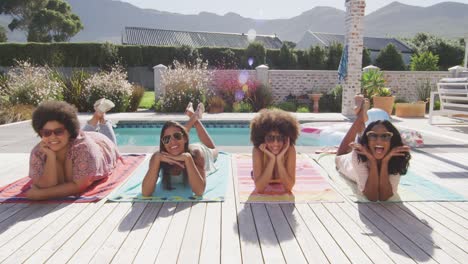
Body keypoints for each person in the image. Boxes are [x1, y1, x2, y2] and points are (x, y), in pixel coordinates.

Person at [26, 100, 121, 200]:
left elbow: (79, 185)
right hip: (77, 138)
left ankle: (103, 120)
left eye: (59, 131)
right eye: (46, 132)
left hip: (102, 144)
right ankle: (96, 116)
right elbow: (46, 185)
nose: (52, 137)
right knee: (80, 135)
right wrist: (51, 157)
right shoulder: (39, 152)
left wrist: (40, 194)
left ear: (69, 131)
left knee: (110, 142)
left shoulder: (84, 149)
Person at [335, 95, 411, 201]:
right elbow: (372, 197)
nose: (379, 140)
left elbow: (385, 196)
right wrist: (372, 160)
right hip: (345, 163)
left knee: (371, 141)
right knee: (338, 157)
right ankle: (360, 118)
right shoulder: (359, 154)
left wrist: (384, 161)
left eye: (385, 136)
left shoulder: (396, 156)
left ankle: (361, 116)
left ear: (392, 141)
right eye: (373, 135)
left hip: (370, 148)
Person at [142, 102, 218, 196]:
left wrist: (188, 159)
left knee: (214, 149)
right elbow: (145, 193)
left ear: (186, 139)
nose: (172, 141)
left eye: (176, 136)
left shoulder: (196, 155)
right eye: (166, 139)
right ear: (163, 143)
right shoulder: (158, 157)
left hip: (198, 150)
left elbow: (199, 192)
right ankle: (193, 116)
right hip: (182, 146)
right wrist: (157, 158)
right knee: (176, 134)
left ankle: (195, 118)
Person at [250, 108, 299, 193]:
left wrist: (279, 159)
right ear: (262, 138)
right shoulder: (258, 151)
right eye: (270, 138)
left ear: (286, 138)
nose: (275, 143)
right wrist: (272, 159)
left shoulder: (289, 150)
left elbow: (289, 188)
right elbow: (260, 188)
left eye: (280, 138)